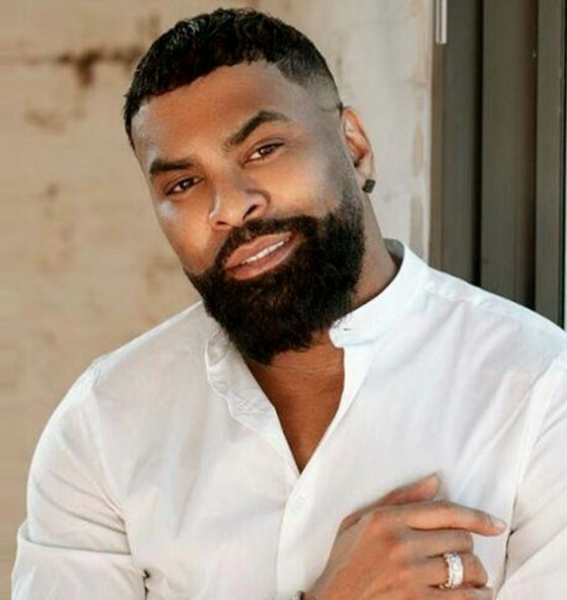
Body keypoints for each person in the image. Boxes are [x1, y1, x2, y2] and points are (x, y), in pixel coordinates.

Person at [12, 7, 567, 600]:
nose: (230, 206)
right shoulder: (105, 423)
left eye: (264, 149)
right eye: (183, 184)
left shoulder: (539, 389)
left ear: (355, 147)